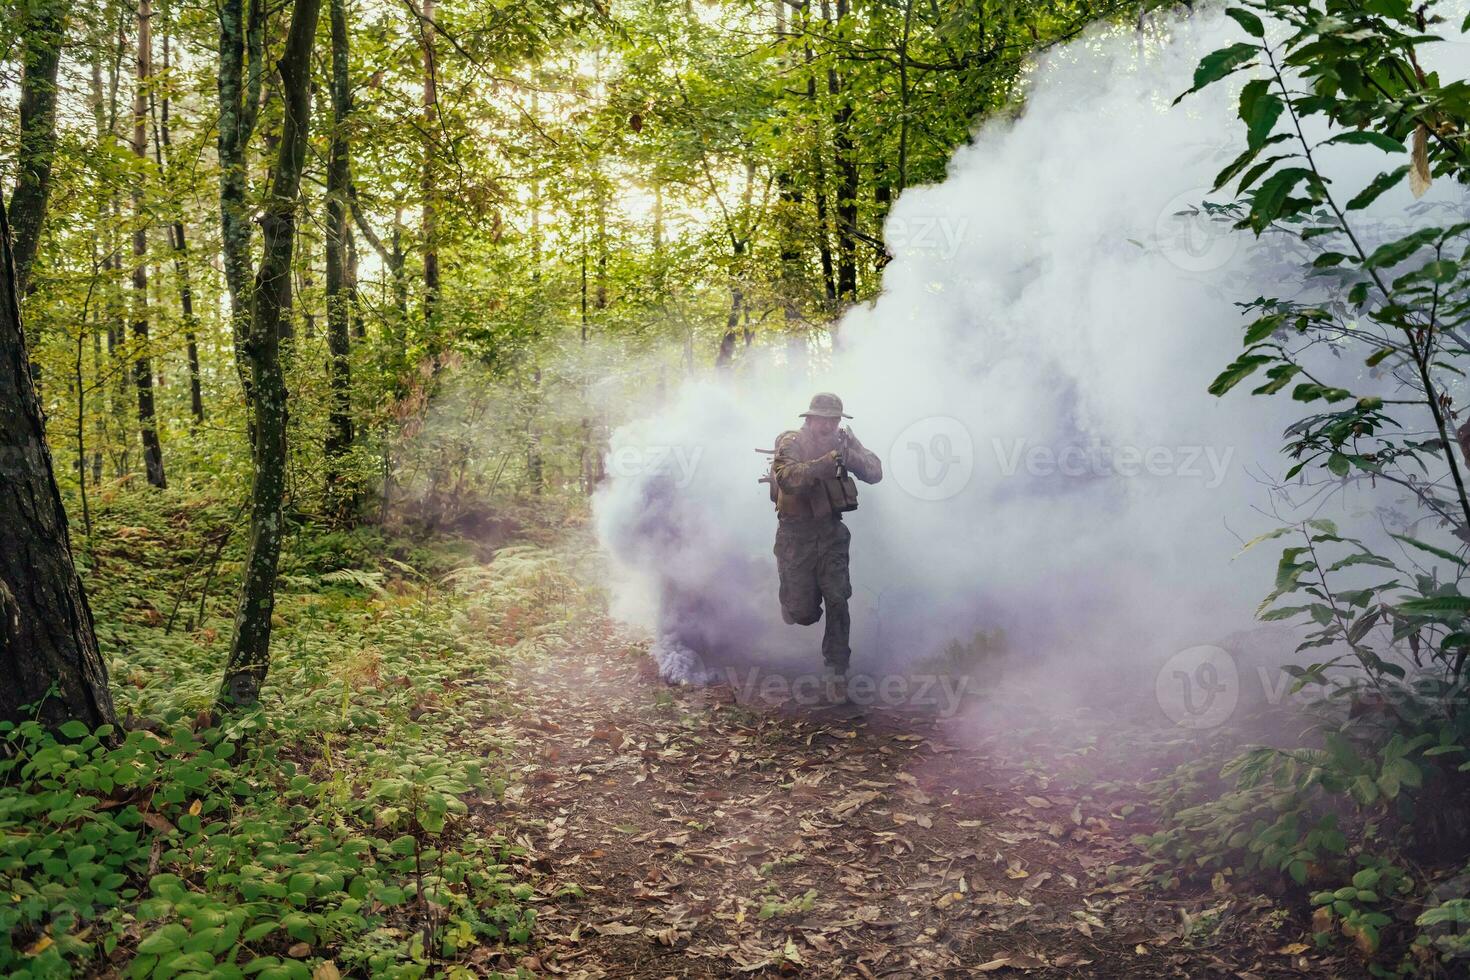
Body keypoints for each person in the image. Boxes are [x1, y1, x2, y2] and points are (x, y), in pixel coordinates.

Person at [770, 392, 882, 702]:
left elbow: (875, 471)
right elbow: (788, 478)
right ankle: (790, 606)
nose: (829, 425)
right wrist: (827, 462)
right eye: (823, 419)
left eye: (834, 419)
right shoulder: (792, 441)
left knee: (837, 598)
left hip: (831, 531)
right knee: (803, 613)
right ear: (809, 418)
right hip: (795, 535)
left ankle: (837, 674)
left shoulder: (843, 440)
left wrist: (851, 455)